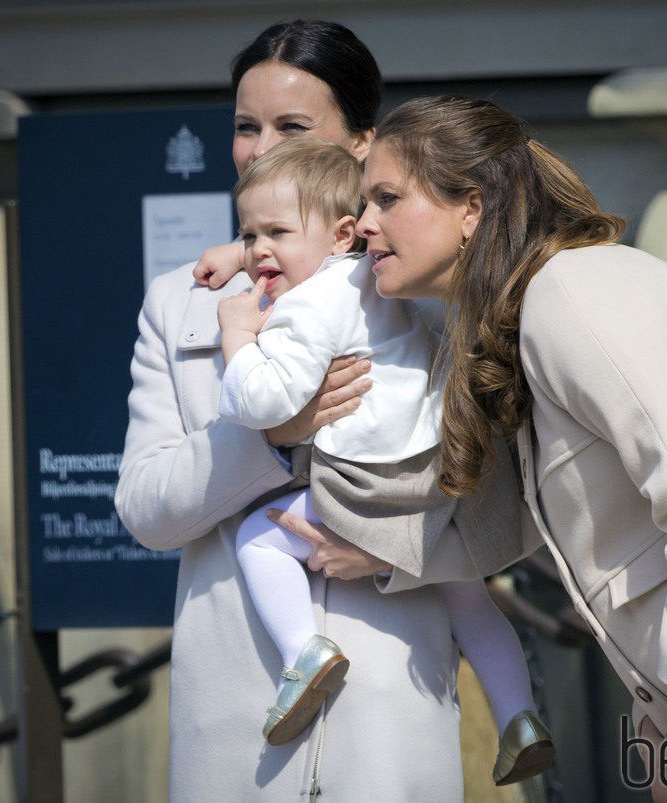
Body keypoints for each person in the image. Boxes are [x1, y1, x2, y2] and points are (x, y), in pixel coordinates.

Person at [331, 94, 667, 802]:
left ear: (472, 207)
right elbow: (515, 525)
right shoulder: (531, 316)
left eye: (386, 197)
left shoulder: (575, 289)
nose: (366, 223)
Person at [114, 23, 538, 801]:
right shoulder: (184, 302)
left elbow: (504, 499)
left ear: (361, 145)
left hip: (391, 721)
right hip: (236, 734)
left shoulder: (420, 289)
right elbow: (144, 507)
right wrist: (270, 439)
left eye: (292, 126)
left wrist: (393, 553)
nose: (260, 145)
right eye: (246, 126)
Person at [200, 135, 554, 783]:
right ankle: (520, 716)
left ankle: (304, 652)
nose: (259, 252)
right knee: (470, 600)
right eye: (250, 236)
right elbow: (306, 235)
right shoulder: (377, 276)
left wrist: (238, 339)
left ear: (342, 233)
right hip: (434, 470)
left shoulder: (306, 306)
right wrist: (253, 245)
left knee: (259, 538)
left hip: (365, 480)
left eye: (274, 232)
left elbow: (264, 399)